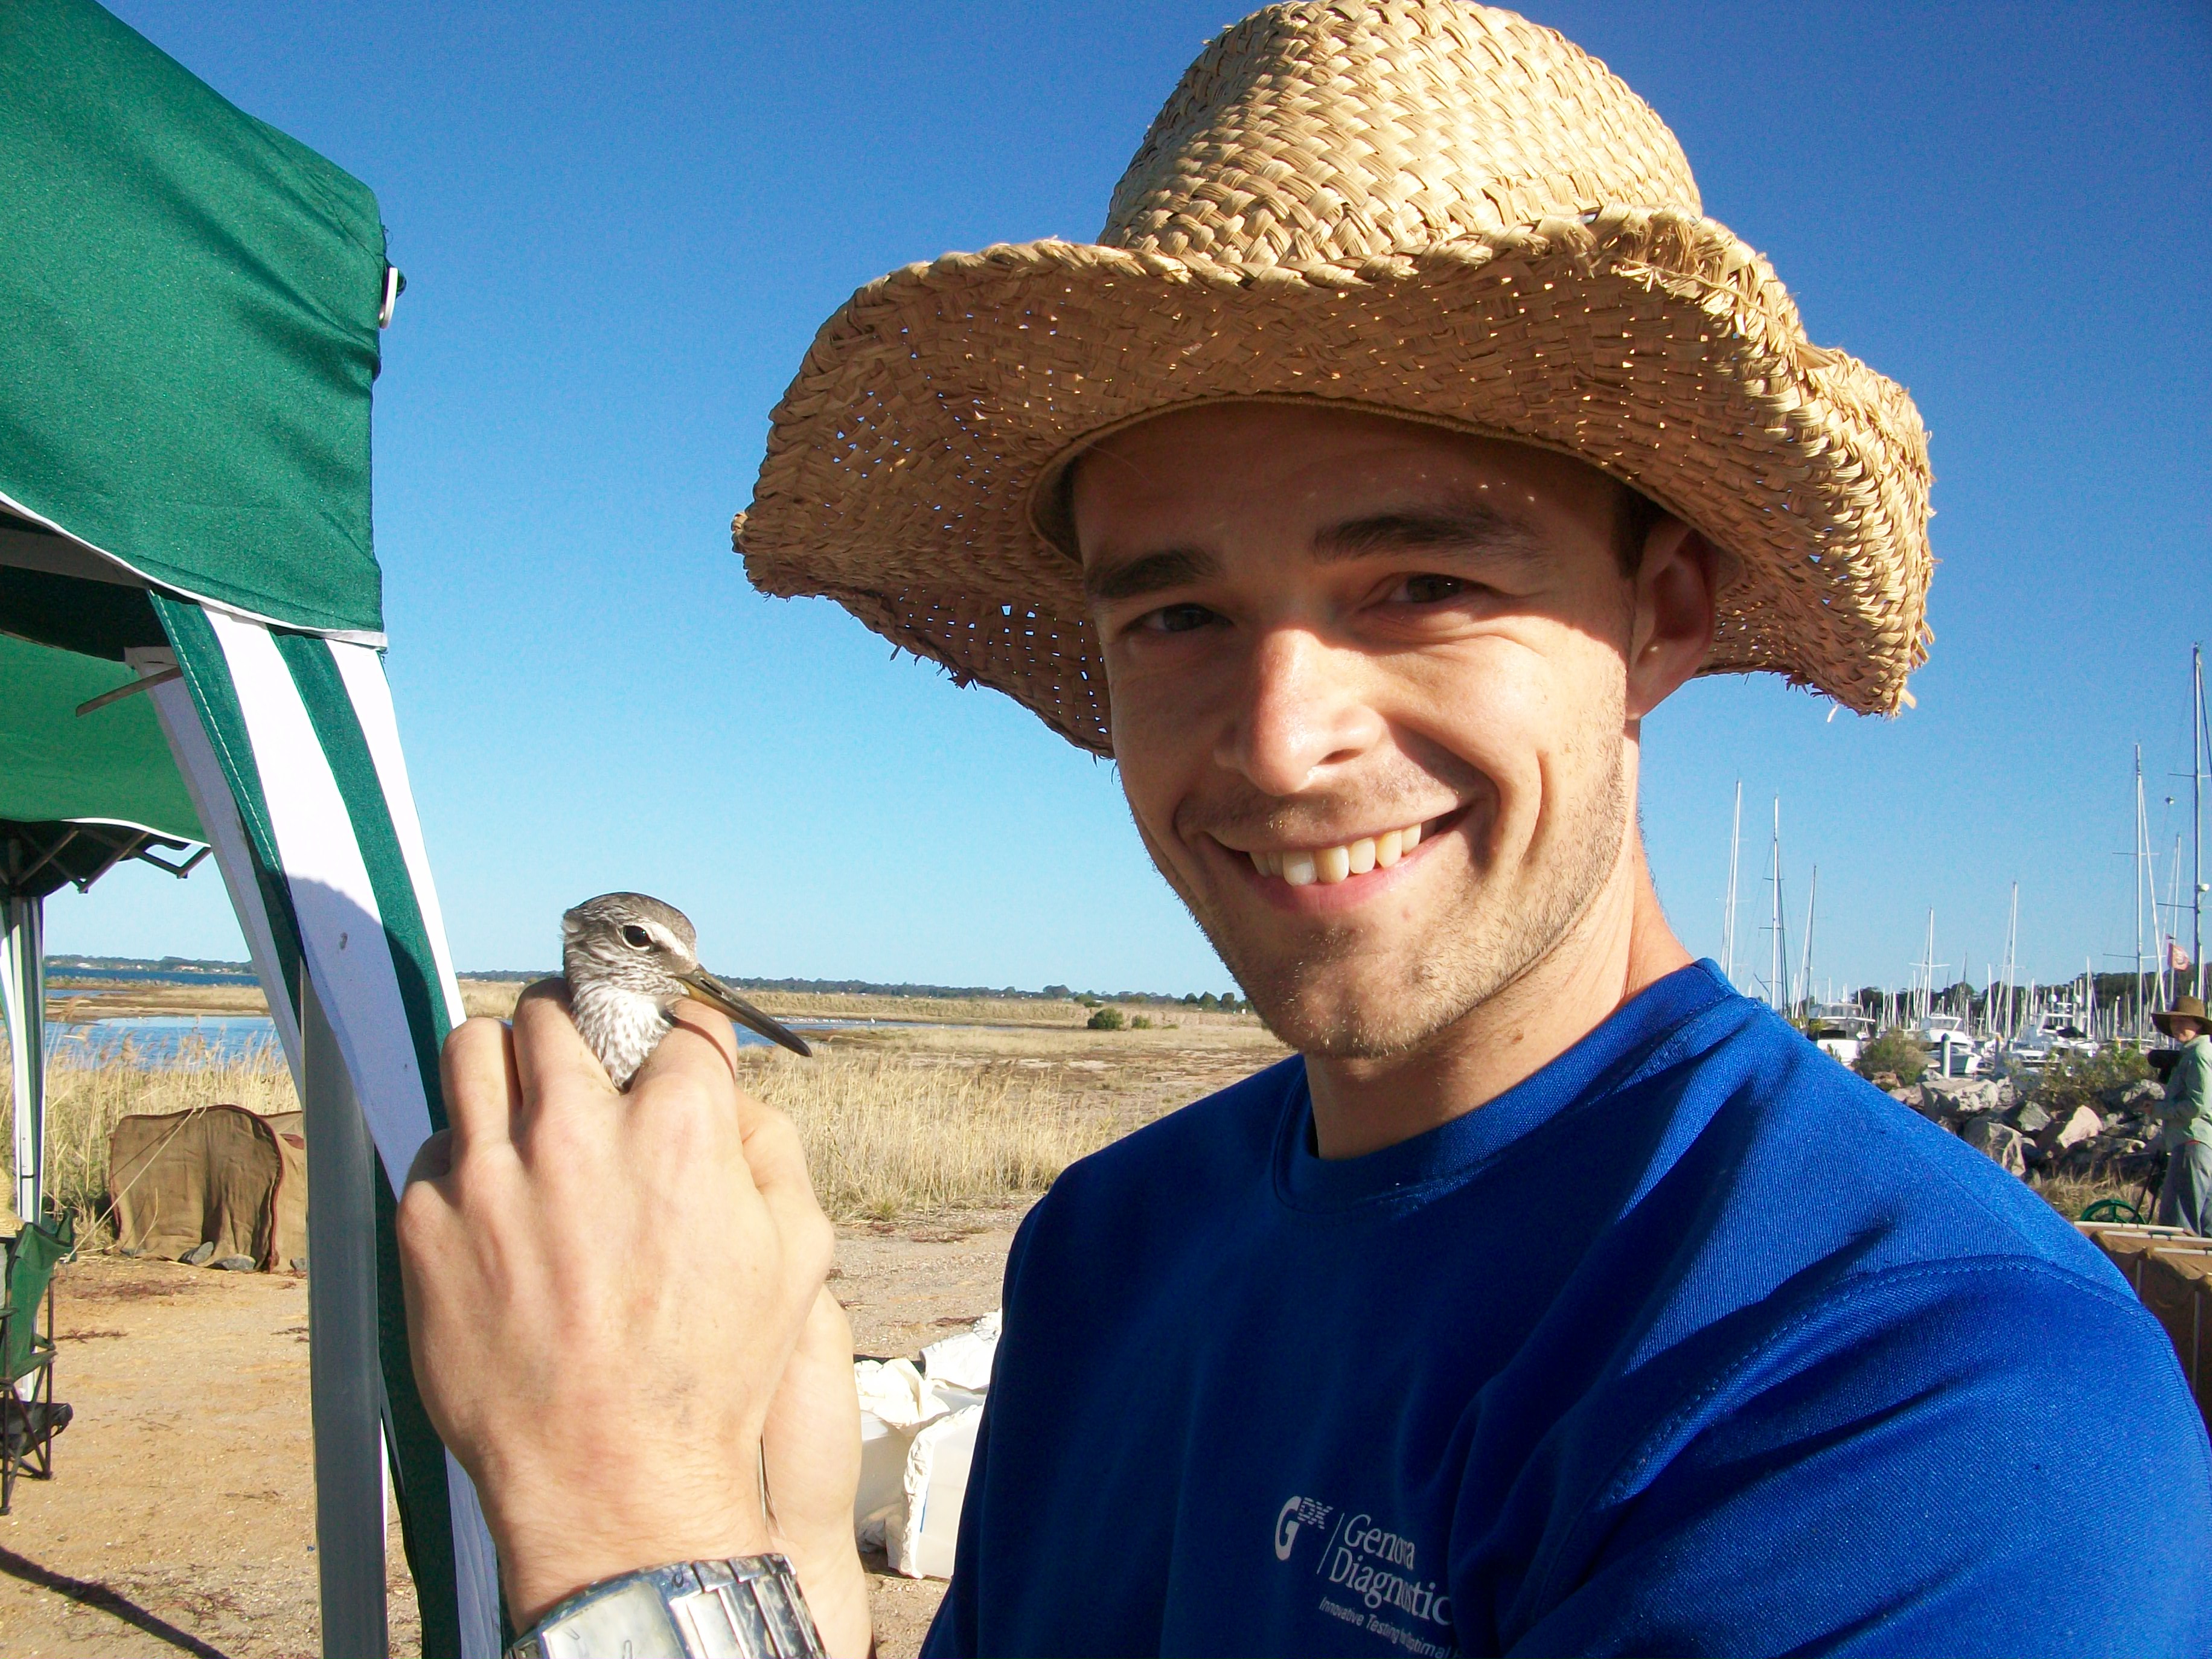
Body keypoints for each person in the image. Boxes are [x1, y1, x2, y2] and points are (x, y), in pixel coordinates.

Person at [398, 6, 2212, 1657]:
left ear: (1661, 610)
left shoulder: (1931, 1400)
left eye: (1419, 580)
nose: (1276, 736)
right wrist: (772, 1557)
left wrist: (632, 1533)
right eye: (1173, 616)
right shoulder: (1108, 1252)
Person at [2154, 994, 2212, 1235]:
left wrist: (2159, 1110)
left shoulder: (2198, 1055)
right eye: (2174, 1022)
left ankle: (2173, 1272)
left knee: (2179, 1223)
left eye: (2183, 1021)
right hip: (2198, 1143)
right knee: (2206, 1223)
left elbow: (2198, 1105)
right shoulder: (2190, 1055)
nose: (2176, 1026)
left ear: (2197, 1024)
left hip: (2191, 1142)